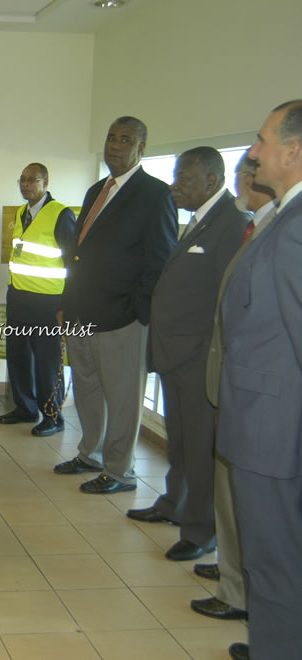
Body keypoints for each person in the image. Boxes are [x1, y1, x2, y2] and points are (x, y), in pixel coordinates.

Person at [126, 147, 247, 563]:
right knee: (179, 441)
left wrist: (202, 354)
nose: (176, 185)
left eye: (185, 178)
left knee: (199, 448)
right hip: (175, 355)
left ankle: (200, 531)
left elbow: (225, 302)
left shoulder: (233, 224)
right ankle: (173, 503)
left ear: (212, 181)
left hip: (198, 359)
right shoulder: (198, 220)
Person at [216, 100, 302, 660]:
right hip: (269, 425)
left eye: (263, 141)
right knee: (276, 561)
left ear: (294, 153)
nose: (252, 152)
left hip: (275, 434)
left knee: (275, 562)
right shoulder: (286, 219)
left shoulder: (295, 231)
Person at [53, 116, 178, 494]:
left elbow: (159, 260)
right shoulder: (96, 190)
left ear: (142, 148)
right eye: (111, 137)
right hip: (80, 313)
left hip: (122, 318)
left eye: (126, 140)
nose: (115, 145)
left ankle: (120, 470)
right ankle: (90, 453)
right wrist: (66, 303)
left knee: (122, 398)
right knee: (87, 389)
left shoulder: (155, 194)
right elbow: (79, 253)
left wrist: (137, 312)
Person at [193, 154, 276, 628]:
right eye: (244, 171)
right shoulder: (252, 228)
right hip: (229, 381)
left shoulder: (278, 233)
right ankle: (233, 575)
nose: (246, 179)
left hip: (255, 393)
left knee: (246, 499)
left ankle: (239, 590)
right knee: (228, 494)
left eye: (251, 171)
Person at [0, 163, 76, 435]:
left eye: (32, 180)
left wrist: (66, 305)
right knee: (17, 356)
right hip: (18, 297)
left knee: (47, 362)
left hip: (48, 302)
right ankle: (26, 408)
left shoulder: (60, 214)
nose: (26, 184)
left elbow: (74, 262)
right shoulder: (22, 212)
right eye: (22, 179)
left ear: (46, 182)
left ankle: (53, 416)